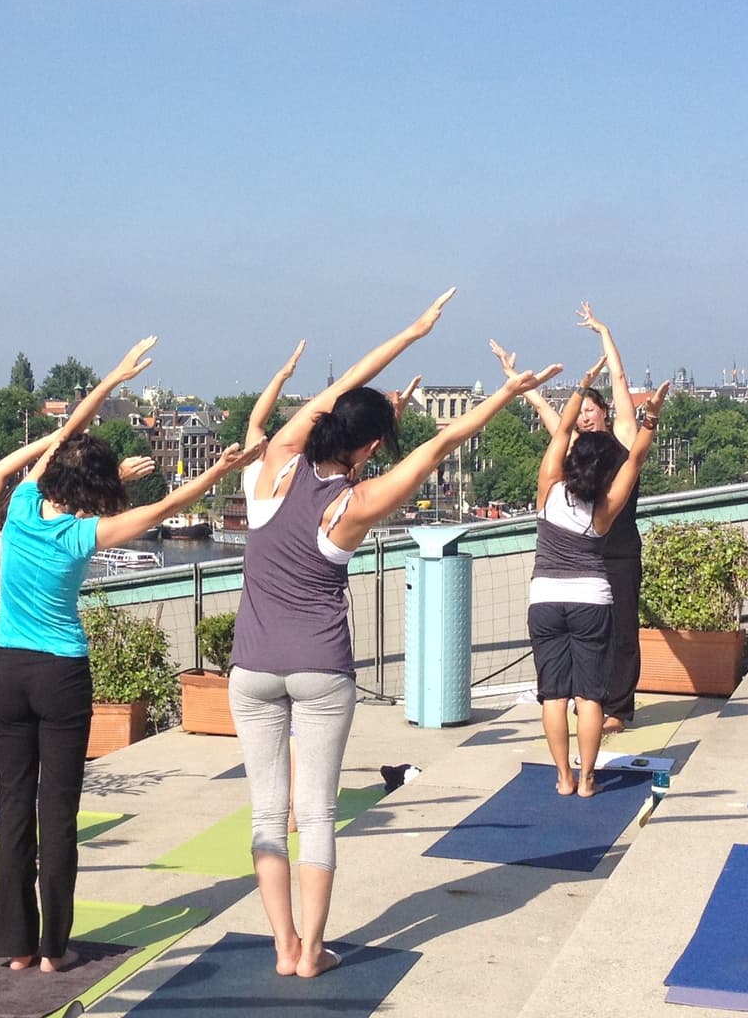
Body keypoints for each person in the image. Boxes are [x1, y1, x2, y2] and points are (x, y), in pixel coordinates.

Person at [233, 289, 559, 979]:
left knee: (268, 818)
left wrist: (409, 333)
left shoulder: (274, 464)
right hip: (321, 668)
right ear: (373, 448)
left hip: (252, 668)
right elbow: (446, 441)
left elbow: (343, 385)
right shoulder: (355, 503)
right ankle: (312, 952)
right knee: (314, 816)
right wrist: (508, 393)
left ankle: (282, 945)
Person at [0, 338, 259, 972]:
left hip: (7, 671)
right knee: (59, 813)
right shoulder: (85, 533)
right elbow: (168, 508)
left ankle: (14, 948)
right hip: (60, 674)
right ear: (95, 491)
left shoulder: (24, 509)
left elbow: (67, 435)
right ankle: (55, 948)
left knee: (15, 813)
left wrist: (112, 377)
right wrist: (221, 470)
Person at [0, 432, 154, 872]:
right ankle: (44, 848)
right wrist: (113, 475)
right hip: (19, 650)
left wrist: (49, 445)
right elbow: (76, 518)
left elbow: (1, 474)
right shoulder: (28, 539)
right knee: (47, 769)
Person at [495, 300, 643, 733]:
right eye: (580, 413)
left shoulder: (622, 440)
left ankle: (617, 708)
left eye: (592, 410)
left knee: (622, 631)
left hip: (618, 550)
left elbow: (619, 381)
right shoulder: (575, 448)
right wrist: (516, 381)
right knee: (589, 633)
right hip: (582, 551)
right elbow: (549, 417)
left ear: (605, 413)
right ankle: (592, 703)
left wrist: (605, 334)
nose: (584, 416)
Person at [530, 355, 670, 797]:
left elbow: (559, 435)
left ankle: (563, 776)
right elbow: (637, 458)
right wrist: (651, 416)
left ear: (572, 464)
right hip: (592, 599)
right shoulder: (605, 510)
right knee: (590, 695)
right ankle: (588, 778)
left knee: (554, 695)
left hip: (546, 598)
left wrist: (580, 386)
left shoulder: (549, 490)